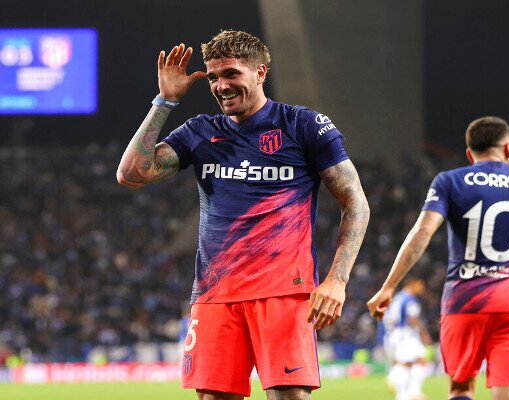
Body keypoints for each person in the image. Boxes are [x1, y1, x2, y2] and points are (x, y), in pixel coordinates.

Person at [116, 30, 369, 400]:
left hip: (284, 292)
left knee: (289, 396)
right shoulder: (201, 131)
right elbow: (132, 174)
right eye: (214, 77)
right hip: (215, 294)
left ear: (260, 72)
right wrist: (165, 101)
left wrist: (337, 280)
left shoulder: (303, 125)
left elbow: (356, 202)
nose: (221, 85)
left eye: (231, 74)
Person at [368, 116, 509, 400]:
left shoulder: (450, 181)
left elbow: (422, 233)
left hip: (463, 302)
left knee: (460, 388)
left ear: (470, 154)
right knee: (508, 393)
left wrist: (389, 286)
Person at [382, 278, 432, 400]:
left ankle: (410, 390)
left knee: (415, 361)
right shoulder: (409, 299)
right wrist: (424, 333)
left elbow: (389, 318)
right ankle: (404, 392)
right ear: (412, 283)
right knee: (409, 363)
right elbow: (412, 318)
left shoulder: (398, 298)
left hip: (398, 333)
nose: (422, 288)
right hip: (407, 334)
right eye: (420, 285)